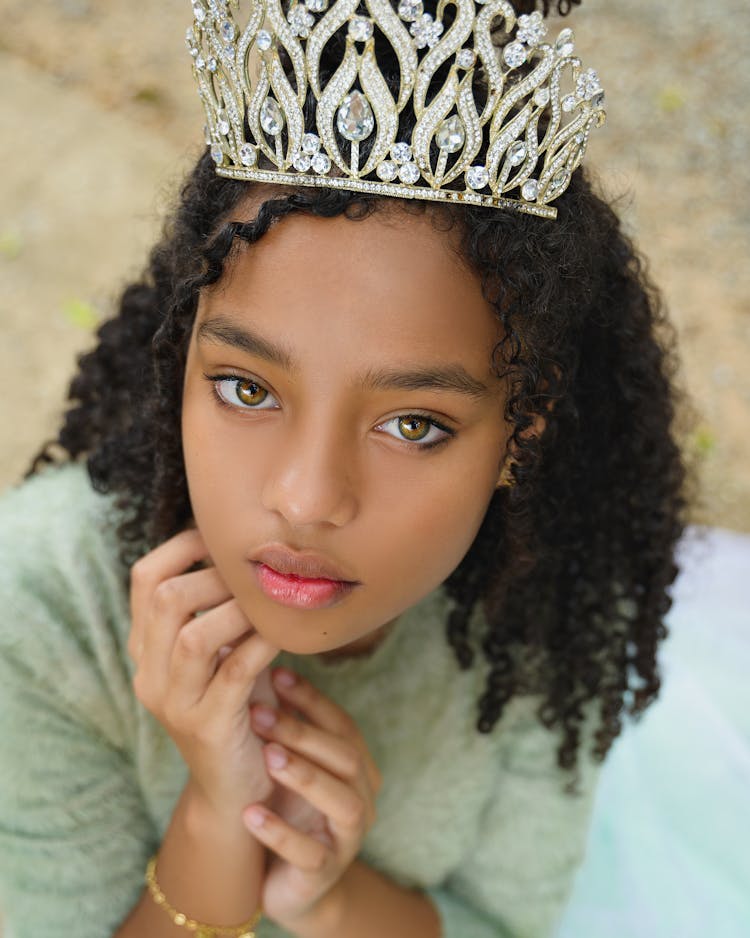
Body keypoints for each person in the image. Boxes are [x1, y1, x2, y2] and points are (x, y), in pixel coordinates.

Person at [0, 0, 693, 936]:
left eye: (413, 423)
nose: (305, 499)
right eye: (246, 389)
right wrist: (217, 819)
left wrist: (331, 899)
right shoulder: (41, 610)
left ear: (520, 436)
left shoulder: (557, 614)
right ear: (179, 365)